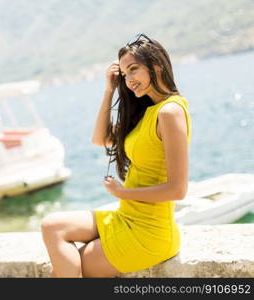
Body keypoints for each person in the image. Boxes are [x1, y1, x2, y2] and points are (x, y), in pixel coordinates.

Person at [41, 33, 191, 277]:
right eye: (124, 75)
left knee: (63, 272)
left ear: (156, 65)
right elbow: (100, 139)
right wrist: (109, 90)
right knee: (52, 226)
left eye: (134, 70)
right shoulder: (147, 112)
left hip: (149, 232)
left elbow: (178, 189)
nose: (129, 80)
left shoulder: (170, 112)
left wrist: (123, 192)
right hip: (127, 216)